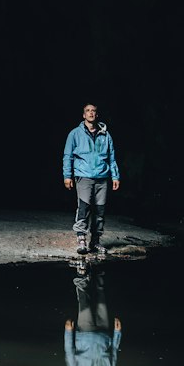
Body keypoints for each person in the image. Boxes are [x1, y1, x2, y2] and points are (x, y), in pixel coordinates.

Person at [62, 102, 120, 255]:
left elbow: (112, 157)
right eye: (88, 111)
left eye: (93, 111)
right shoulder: (75, 133)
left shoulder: (105, 134)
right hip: (84, 176)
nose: (91, 113)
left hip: (102, 177)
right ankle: (81, 238)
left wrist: (115, 176)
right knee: (84, 207)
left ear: (97, 114)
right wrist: (67, 176)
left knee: (100, 210)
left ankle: (95, 241)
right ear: (83, 115)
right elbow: (67, 156)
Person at [64, 265, 122, 366]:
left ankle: (82, 274)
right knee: (102, 298)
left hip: (85, 332)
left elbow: (69, 353)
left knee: (84, 302)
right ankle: (100, 270)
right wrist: (117, 333)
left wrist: (68, 332)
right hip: (104, 334)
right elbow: (114, 351)